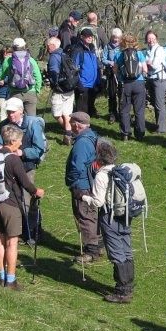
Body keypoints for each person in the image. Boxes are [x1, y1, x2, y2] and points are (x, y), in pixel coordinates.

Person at [0, 124, 44, 290]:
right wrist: (37, 191)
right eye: (20, 141)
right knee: (12, 243)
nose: (21, 144)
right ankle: (11, 280)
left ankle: (1, 277)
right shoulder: (13, 159)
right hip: (10, 205)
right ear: (14, 140)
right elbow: (25, 183)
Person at [84, 138, 139, 303]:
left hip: (109, 216)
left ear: (99, 157)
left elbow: (98, 202)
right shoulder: (119, 170)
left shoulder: (101, 175)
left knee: (116, 253)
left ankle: (122, 291)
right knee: (126, 249)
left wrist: (85, 197)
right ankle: (128, 284)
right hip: (125, 215)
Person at [64, 112, 101, 264]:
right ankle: (98, 245)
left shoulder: (81, 143)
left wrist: (72, 182)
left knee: (84, 217)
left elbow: (77, 167)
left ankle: (90, 251)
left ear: (77, 125)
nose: (70, 125)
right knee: (92, 215)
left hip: (82, 186)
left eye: (71, 122)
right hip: (91, 184)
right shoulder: (92, 136)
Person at [0, 97, 47, 172]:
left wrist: (22, 152)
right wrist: (0, 148)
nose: (10, 115)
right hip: (7, 166)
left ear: (21, 111)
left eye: (13, 112)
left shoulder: (33, 124)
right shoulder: (3, 124)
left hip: (27, 165)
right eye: (8, 111)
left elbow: (39, 149)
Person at [0, 38, 43, 117]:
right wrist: (37, 90)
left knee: (15, 118)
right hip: (30, 91)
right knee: (31, 118)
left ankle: (17, 129)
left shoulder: (8, 60)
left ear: (13, 48)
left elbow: (1, 76)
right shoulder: (31, 59)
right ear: (25, 47)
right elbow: (38, 77)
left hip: (15, 93)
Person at [44, 36, 76, 144]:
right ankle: (69, 132)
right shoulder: (64, 54)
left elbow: (53, 71)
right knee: (67, 113)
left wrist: (54, 83)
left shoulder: (53, 57)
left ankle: (69, 132)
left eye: (48, 45)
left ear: (52, 45)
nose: (47, 48)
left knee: (56, 113)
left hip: (59, 89)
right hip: (69, 88)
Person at [116, 37, 148, 140]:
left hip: (125, 84)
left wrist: (120, 77)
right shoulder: (139, 54)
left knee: (125, 110)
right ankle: (140, 134)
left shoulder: (119, 54)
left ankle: (125, 133)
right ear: (135, 43)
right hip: (138, 83)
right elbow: (145, 69)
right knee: (139, 110)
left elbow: (115, 70)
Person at [143, 30, 166, 134]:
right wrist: (147, 63)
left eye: (153, 38)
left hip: (159, 79)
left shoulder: (159, 50)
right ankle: (158, 126)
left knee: (159, 104)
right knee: (156, 103)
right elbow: (146, 64)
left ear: (156, 39)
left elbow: (154, 66)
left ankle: (162, 129)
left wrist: (147, 63)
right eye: (149, 38)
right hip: (151, 78)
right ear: (146, 40)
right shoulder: (148, 50)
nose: (151, 40)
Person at [74, 27, 102, 119]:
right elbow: (74, 68)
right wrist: (79, 84)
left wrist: (98, 81)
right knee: (81, 109)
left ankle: (86, 127)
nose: (90, 38)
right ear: (82, 37)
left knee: (89, 106)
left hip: (92, 83)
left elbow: (96, 65)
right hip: (83, 83)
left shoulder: (92, 49)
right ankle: (78, 128)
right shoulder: (78, 49)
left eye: (91, 36)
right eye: (87, 36)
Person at [102, 28, 125, 122]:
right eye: (114, 37)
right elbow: (103, 59)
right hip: (111, 73)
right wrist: (110, 62)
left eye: (118, 38)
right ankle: (112, 113)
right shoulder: (108, 47)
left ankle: (122, 113)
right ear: (111, 37)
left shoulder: (123, 47)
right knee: (112, 94)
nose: (116, 40)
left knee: (122, 94)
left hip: (121, 73)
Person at [0, 46, 13, 121]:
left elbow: (12, 74)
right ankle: (3, 126)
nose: (6, 55)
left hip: (11, 88)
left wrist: (5, 80)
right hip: (1, 89)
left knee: (11, 107)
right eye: (5, 53)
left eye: (8, 53)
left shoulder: (13, 61)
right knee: (3, 108)